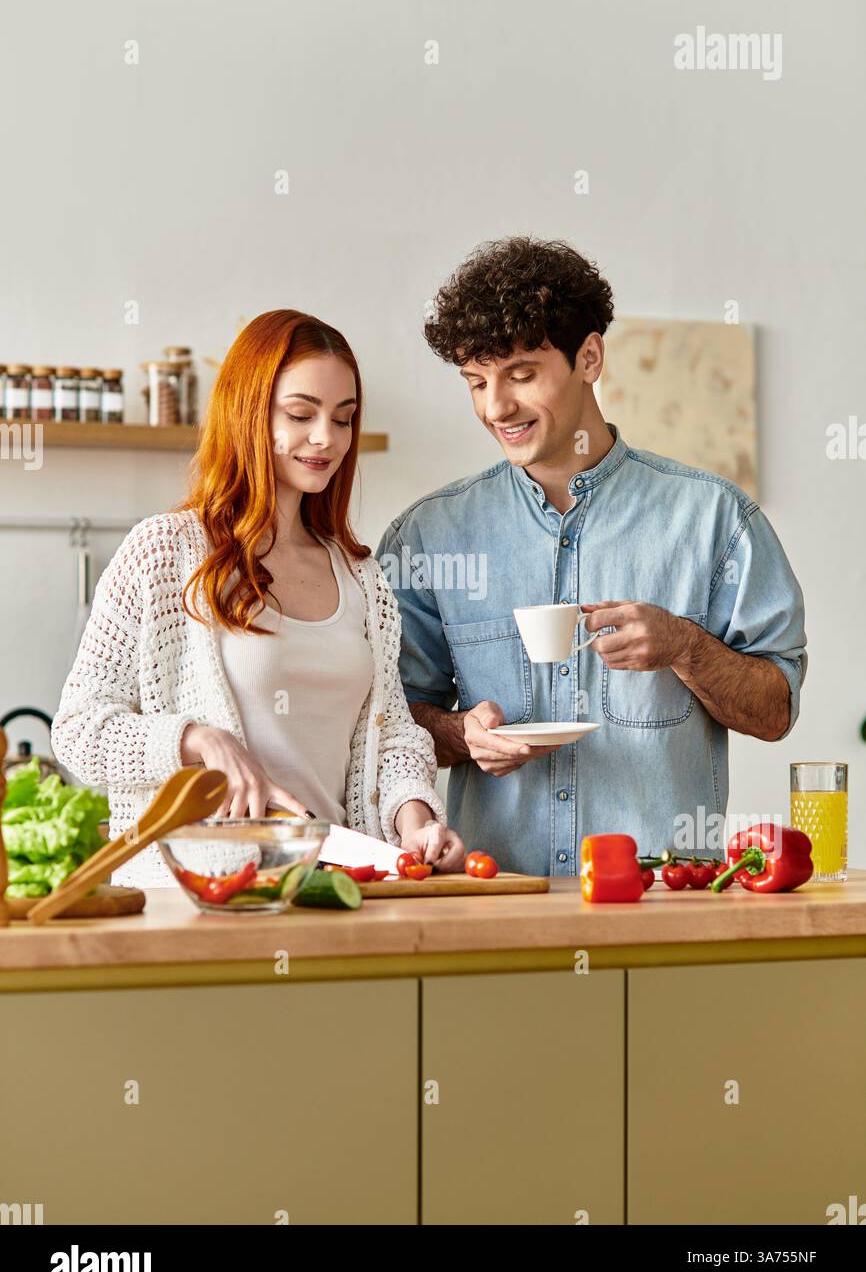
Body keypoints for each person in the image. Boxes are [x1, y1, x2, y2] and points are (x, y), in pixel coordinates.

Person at [376, 237, 807, 873]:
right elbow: (393, 722)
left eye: (521, 375)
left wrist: (686, 647)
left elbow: (775, 711)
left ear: (590, 357)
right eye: (476, 381)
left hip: (662, 903)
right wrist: (460, 732)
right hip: (494, 902)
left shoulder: (714, 519)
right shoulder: (428, 536)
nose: (497, 406)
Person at [53, 310, 466, 886]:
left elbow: (391, 735)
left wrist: (415, 819)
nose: (327, 438)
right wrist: (197, 740)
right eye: (301, 414)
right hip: (201, 897)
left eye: (343, 419)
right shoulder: (164, 553)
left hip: (341, 888)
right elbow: (78, 730)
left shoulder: (364, 578)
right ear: (250, 415)